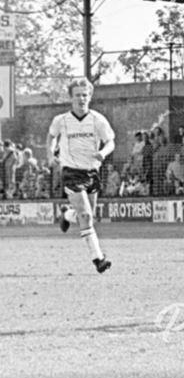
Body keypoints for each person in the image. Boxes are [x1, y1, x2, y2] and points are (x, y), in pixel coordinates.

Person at [47, 78, 115, 273]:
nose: (81, 98)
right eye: (77, 95)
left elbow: (110, 142)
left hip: (92, 171)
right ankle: (98, 259)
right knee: (85, 215)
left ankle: (67, 215)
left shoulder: (98, 120)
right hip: (71, 172)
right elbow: (51, 136)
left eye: (85, 95)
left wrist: (103, 153)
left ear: (90, 96)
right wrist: (51, 154)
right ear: (71, 97)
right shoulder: (61, 120)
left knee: (88, 216)